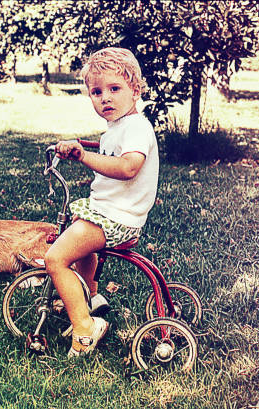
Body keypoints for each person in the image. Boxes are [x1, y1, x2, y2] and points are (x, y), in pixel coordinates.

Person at [44, 47, 159, 357]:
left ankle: (85, 328)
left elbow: (127, 166)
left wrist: (83, 156)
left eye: (114, 89)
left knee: (55, 259)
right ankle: (91, 300)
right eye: (96, 92)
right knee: (80, 243)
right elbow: (111, 150)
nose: (105, 98)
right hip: (109, 212)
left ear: (135, 90)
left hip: (117, 218)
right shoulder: (121, 126)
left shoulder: (136, 127)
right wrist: (81, 146)